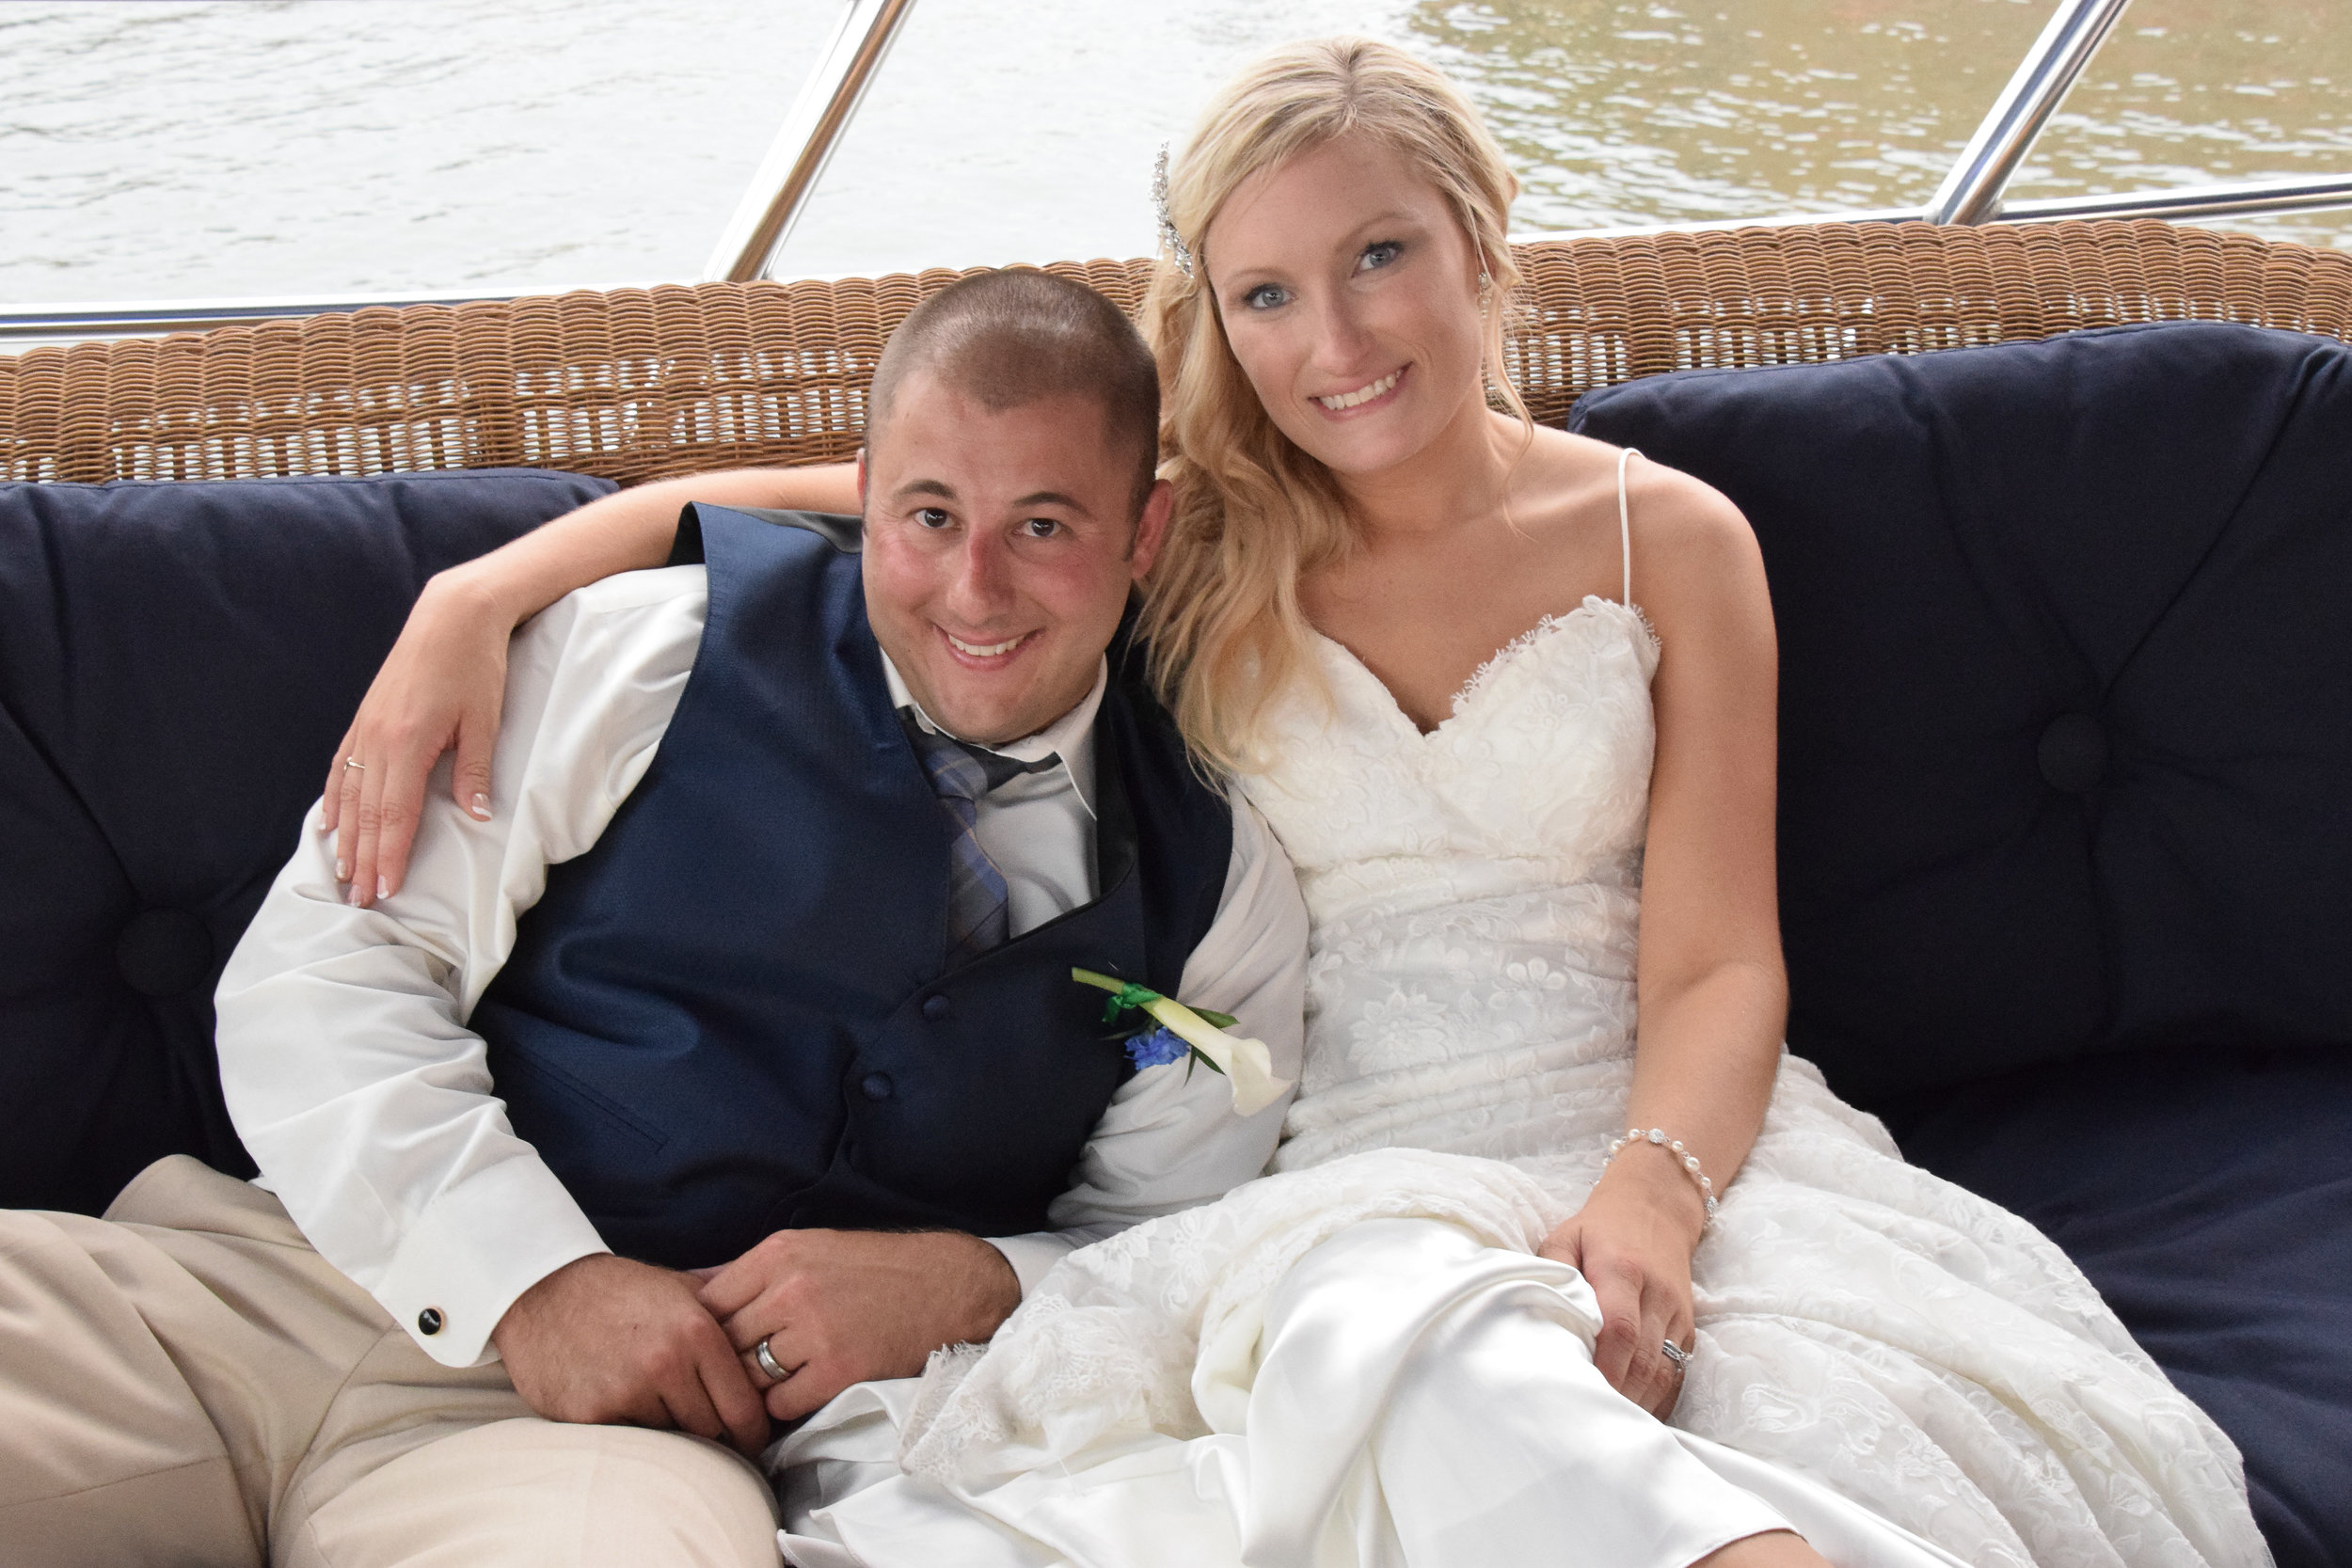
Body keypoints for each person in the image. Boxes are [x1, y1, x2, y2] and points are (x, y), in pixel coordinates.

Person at [316, 38, 2271, 1568]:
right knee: (1404, 1347)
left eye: (1374, 258)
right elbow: (832, 510)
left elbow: (1717, 967)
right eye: (1262, 296)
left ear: (1477, 234)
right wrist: (478, 594)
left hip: (1657, 1131)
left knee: (1838, 1425)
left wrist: (1647, 1203)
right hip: (1326, 1156)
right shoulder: (1179, 536)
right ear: (1215, 322)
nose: (1332, 345)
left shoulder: (1670, 539)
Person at [0, 270, 1311, 1568]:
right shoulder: (652, 649)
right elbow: (328, 966)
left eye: (1042, 527)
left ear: (1143, 533)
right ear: (866, 495)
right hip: (265, 1287)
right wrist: (532, 1278)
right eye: (928, 516)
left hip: (622, 1452)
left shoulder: (1213, 886)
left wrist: (981, 1281)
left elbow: (1160, 1245)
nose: (972, 589)